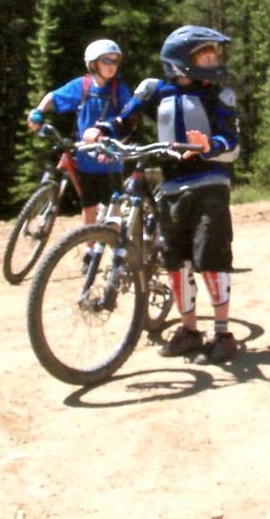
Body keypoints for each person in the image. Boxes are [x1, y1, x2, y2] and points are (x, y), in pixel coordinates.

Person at [94, 25, 241, 364]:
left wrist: (209, 146)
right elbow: (125, 120)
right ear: (180, 61)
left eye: (214, 54)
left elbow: (231, 142)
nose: (213, 61)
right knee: (175, 260)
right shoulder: (154, 91)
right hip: (171, 187)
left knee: (211, 257)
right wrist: (101, 131)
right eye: (206, 55)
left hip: (210, 186)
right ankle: (190, 331)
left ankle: (223, 334)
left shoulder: (217, 95)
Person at [27, 39, 133, 225]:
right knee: (88, 205)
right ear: (93, 64)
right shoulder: (83, 85)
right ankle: (89, 248)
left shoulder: (119, 90)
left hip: (109, 160)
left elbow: (130, 122)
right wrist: (38, 111)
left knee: (113, 208)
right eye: (107, 60)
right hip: (85, 158)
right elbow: (53, 97)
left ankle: (118, 249)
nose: (112, 66)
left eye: (115, 61)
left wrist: (117, 147)